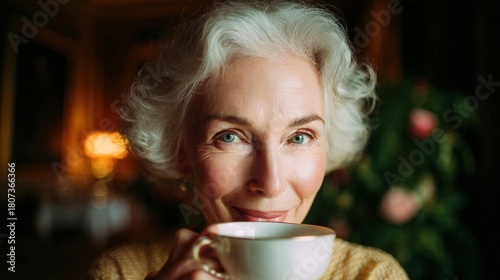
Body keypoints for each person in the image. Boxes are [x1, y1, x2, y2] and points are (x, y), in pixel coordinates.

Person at [88, 0, 409, 279]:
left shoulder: (373, 274)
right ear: (181, 151)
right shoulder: (121, 273)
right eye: (230, 137)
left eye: (299, 137)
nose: (269, 183)